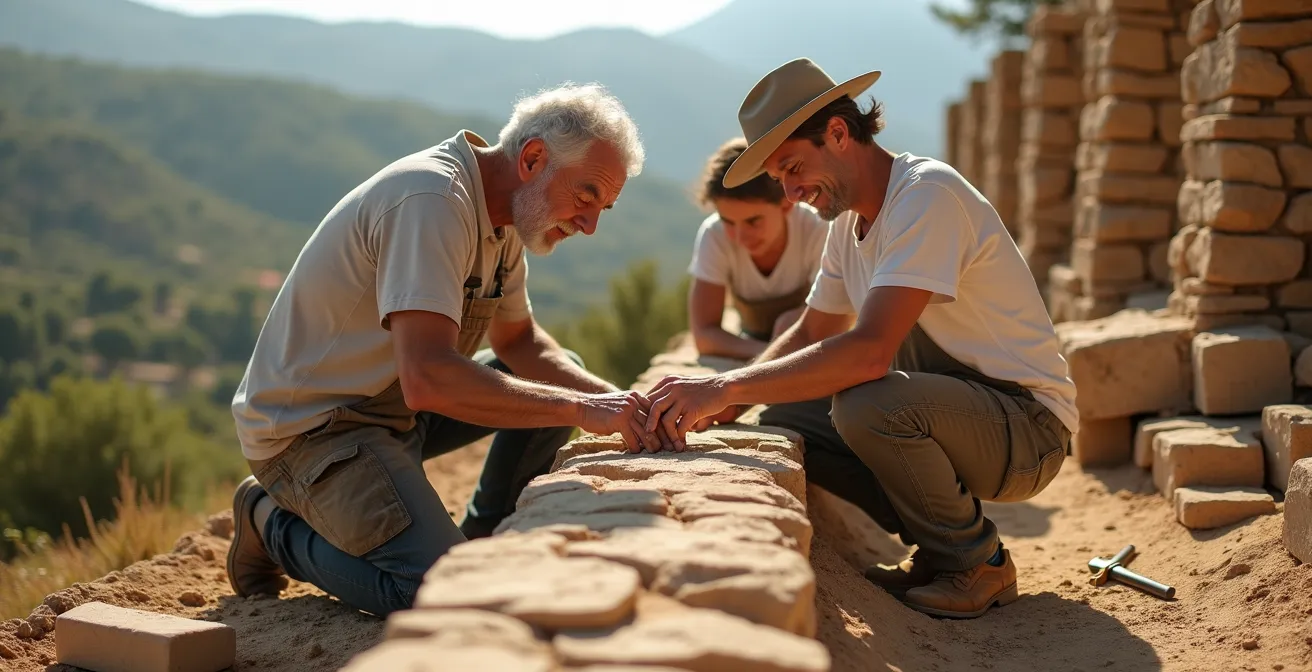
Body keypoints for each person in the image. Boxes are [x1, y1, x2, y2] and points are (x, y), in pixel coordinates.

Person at [643, 58, 1078, 620]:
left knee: (867, 404)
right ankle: (939, 543)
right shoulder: (848, 225)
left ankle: (978, 562)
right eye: (779, 179)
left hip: (1027, 427)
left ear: (838, 133)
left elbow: (869, 352)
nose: (791, 191)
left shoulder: (926, 195)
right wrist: (732, 401)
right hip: (961, 413)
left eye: (793, 167)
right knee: (786, 416)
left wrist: (723, 387)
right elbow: (812, 329)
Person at [225, 83, 663, 617]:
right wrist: (582, 409)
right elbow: (428, 377)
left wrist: (623, 404)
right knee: (437, 593)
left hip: (394, 412)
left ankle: (483, 541)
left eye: (604, 208)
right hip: (314, 432)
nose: (589, 225)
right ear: (532, 159)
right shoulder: (432, 201)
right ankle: (269, 522)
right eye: (586, 195)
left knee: (563, 372)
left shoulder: (506, 215)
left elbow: (518, 342)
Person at [686, 138, 829, 359]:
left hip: (810, 343)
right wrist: (772, 355)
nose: (740, 236)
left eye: (753, 221)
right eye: (728, 222)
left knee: (788, 322)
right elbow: (704, 335)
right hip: (763, 345)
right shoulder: (714, 234)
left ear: (786, 205)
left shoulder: (816, 230)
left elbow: (829, 320)